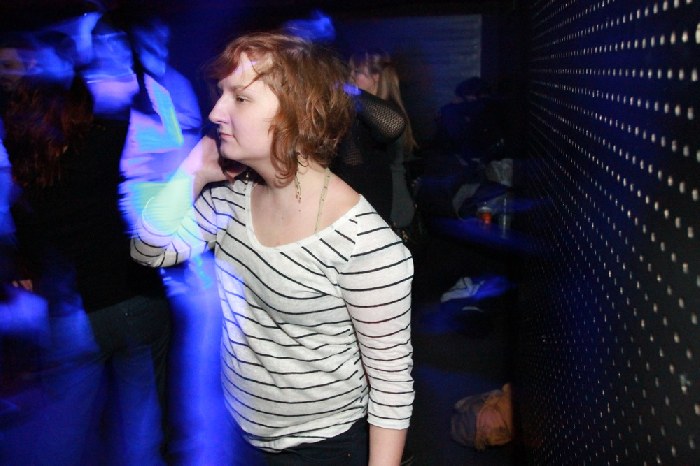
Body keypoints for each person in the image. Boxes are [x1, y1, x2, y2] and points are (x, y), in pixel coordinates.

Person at [130, 31, 414, 465]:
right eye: (222, 94)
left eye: (240, 98)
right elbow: (149, 250)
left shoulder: (366, 245)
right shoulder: (232, 198)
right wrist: (194, 171)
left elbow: (391, 390)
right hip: (239, 432)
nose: (215, 112)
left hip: (323, 449)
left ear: (298, 114)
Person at [3, 36, 170, 465]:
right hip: (132, 295)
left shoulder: (24, 179)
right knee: (141, 426)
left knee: (63, 432)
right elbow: (131, 100)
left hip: (74, 314)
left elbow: (34, 255)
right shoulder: (103, 143)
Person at [347, 49, 417, 231]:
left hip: (392, 204)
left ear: (376, 77)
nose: (351, 76)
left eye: (357, 72)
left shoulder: (386, 115)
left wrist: (346, 89)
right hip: (379, 200)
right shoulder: (368, 111)